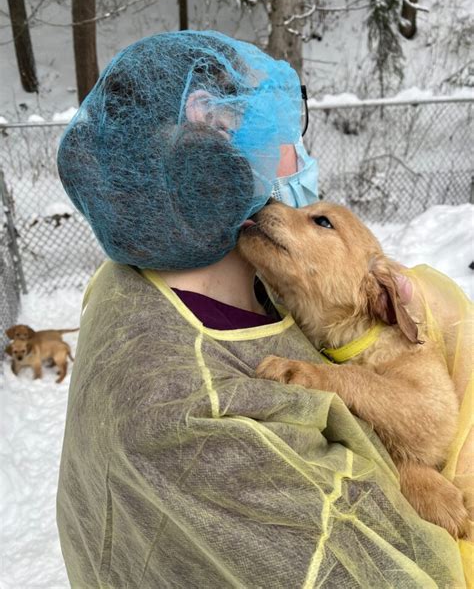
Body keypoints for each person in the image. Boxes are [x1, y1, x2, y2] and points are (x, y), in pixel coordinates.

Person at [56, 31, 468, 588]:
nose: (296, 150)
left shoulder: (179, 275)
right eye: (274, 122)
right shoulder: (184, 403)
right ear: (216, 138)